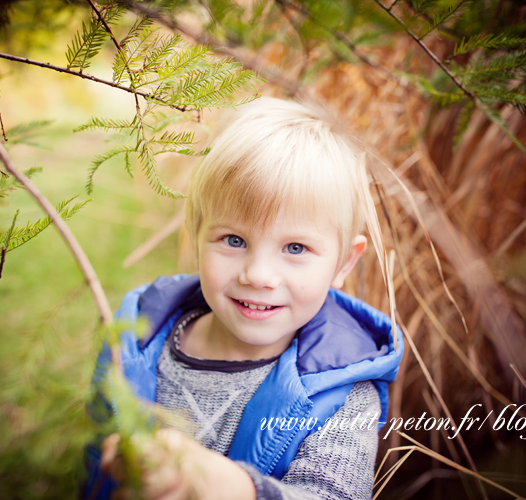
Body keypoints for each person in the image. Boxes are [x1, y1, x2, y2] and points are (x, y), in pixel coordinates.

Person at [83, 97, 404, 500]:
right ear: (197, 236)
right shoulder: (138, 340)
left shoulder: (343, 391)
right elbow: (98, 451)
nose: (258, 275)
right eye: (234, 240)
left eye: (296, 248)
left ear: (343, 263)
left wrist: (238, 490)